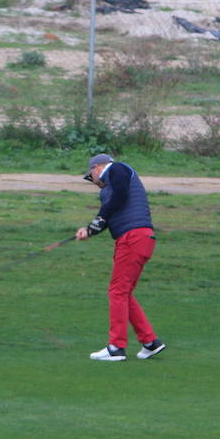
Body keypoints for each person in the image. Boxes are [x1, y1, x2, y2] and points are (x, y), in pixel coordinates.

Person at [75, 153, 166, 361]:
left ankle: (116, 347)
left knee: (117, 291)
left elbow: (119, 198)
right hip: (139, 239)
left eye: (91, 177)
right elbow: (108, 213)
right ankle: (150, 342)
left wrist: (99, 220)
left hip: (133, 238)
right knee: (124, 292)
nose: (93, 182)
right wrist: (89, 230)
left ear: (97, 168)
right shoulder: (109, 191)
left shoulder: (117, 169)